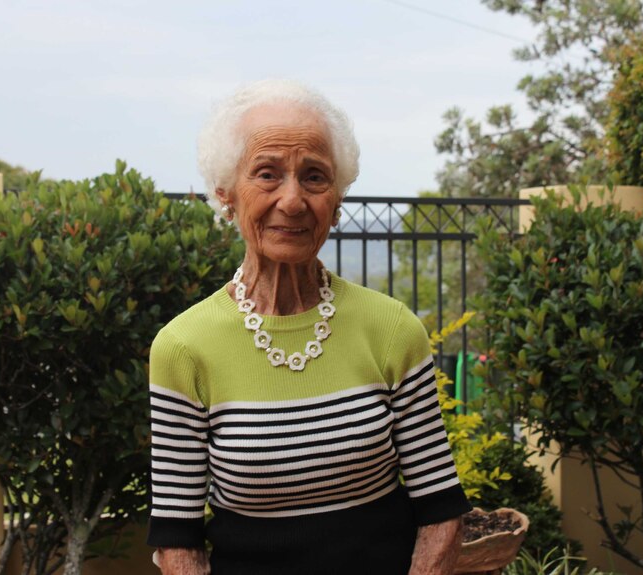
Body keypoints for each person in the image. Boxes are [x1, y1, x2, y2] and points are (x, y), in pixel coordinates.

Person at [147, 79, 472, 575]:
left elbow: (441, 512)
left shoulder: (391, 328)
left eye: (315, 177)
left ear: (337, 201)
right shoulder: (183, 347)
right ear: (226, 195)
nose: (293, 200)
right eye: (267, 174)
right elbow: (177, 540)